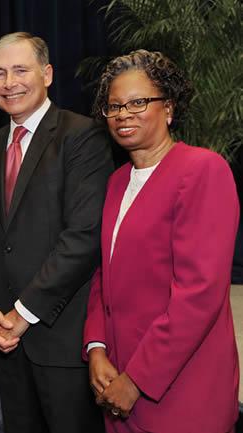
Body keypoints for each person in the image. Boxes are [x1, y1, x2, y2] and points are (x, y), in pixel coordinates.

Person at [84, 49, 240, 433]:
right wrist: (96, 349)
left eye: (139, 102)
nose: (123, 114)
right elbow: (105, 272)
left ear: (168, 108)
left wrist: (136, 380)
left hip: (179, 386)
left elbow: (198, 294)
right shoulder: (117, 181)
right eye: (114, 106)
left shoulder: (203, 170)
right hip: (116, 382)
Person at [0, 32, 113, 433]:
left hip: (59, 337)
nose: (9, 82)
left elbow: (83, 236)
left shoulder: (81, 136)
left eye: (20, 70)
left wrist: (24, 312)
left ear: (46, 74)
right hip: (5, 341)